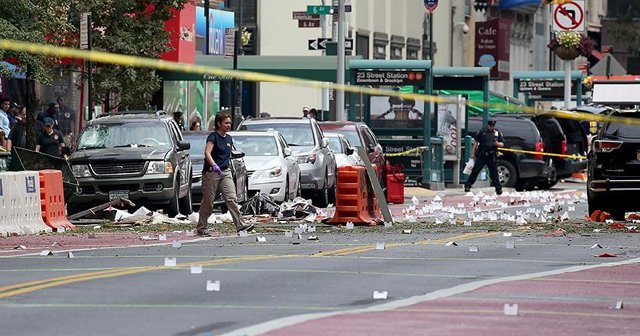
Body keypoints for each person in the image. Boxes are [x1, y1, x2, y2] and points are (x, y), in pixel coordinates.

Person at [197, 112, 253, 236]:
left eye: (229, 123)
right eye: (226, 123)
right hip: (212, 173)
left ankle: (241, 226)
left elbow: (230, 154)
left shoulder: (229, 138)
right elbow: (207, 153)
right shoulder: (213, 137)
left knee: (231, 198)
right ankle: (201, 228)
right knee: (208, 202)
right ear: (219, 124)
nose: (229, 125)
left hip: (225, 171)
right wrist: (214, 165)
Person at [464, 119, 504, 195]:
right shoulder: (482, 132)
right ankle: (468, 185)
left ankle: (498, 189)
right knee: (475, 170)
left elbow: (502, 144)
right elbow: (476, 142)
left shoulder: (497, 133)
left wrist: (497, 144)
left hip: (492, 155)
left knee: (494, 173)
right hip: (482, 154)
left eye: (492, 126)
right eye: (490, 125)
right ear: (488, 125)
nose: (491, 127)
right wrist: (472, 154)